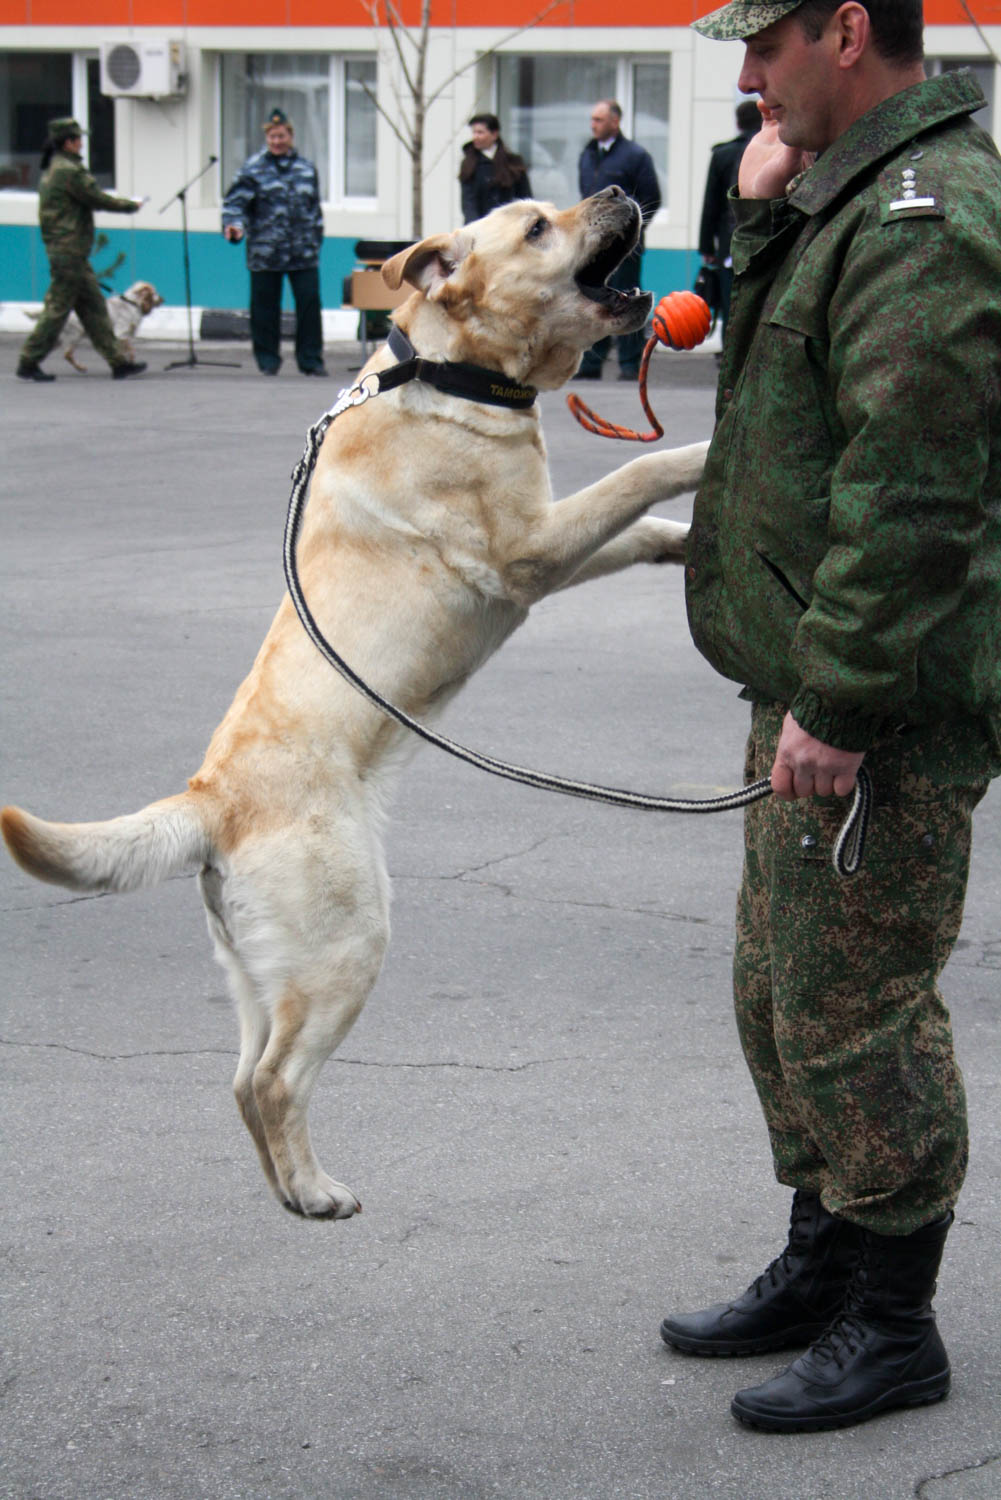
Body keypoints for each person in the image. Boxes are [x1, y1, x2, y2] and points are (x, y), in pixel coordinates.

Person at [661, 0, 1001, 1434]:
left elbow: (912, 488)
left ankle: (890, 1317)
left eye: (764, 48)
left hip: (884, 699)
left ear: (847, 30)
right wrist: (762, 214)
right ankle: (822, 1261)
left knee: (854, 1011)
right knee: (780, 998)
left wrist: (845, 700)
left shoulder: (927, 218)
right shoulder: (847, 199)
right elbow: (784, 380)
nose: (745, 78)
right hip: (815, 681)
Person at [16, 118, 146, 383]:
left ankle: (118, 362)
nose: (82, 144)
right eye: (78, 139)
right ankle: (28, 360)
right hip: (69, 250)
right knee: (58, 308)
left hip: (69, 250)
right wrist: (130, 205)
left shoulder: (57, 166)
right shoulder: (68, 170)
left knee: (94, 308)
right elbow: (95, 197)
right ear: (68, 142)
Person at [222, 108, 327, 377]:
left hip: (303, 251)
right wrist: (233, 225)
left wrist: (316, 238)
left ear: (290, 135)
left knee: (309, 306)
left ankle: (311, 360)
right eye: (271, 137)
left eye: (280, 136)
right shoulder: (252, 169)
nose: (276, 141)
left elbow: (314, 208)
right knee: (264, 310)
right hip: (265, 252)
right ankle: (268, 360)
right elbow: (235, 203)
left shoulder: (306, 168)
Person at [576, 99, 662, 381]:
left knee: (626, 299)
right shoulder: (587, 155)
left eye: (599, 120)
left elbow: (651, 197)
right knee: (593, 299)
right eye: (591, 119)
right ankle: (590, 365)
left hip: (625, 249)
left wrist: (629, 232)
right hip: (594, 248)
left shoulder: (635, 156)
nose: (593, 125)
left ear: (615, 121)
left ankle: (629, 364)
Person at [697, 98, 761, 342]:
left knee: (729, 301)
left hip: (729, 244)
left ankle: (728, 355)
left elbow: (710, 205)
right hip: (766, 240)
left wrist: (707, 247)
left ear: (737, 123)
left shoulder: (723, 154)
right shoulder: (776, 150)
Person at [459, 113, 532, 224]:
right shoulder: (469, 163)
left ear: (494, 134)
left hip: (509, 227)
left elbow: (526, 198)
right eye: (474, 132)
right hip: (480, 228)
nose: (475, 137)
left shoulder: (513, 162)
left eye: (480, 132)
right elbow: (468, 203)